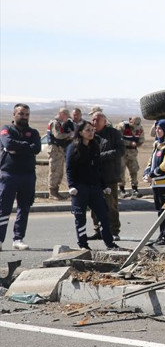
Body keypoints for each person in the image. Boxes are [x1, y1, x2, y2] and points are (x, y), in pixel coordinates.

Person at [66, 121, 118, 250]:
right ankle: (83, 244)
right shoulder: (73, 147)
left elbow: (98, 169)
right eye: (88, 130)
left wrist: (104, 185)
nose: (91, 133)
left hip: (95, 188)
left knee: (104, 215)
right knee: (80, 217)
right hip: (80, 188)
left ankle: (109, 243)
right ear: (81, 132)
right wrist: (71, 185)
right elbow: (69, 168)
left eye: (92, 130)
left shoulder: (94, 146)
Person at [0, 104, 41, 251]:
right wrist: (26, 146)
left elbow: (36, 148)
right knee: (4, 208)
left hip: (28, 175)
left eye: (26, 114)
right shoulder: (6, 129)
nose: (24, 117)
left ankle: (18, 239)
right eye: (21, 114)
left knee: (24, 208)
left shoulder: (34, 132)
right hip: (9, 174)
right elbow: (7, 143)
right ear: (14, 114)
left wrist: (17, 148)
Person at [143, 119, 165, 246]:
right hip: (156, 183)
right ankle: (161, 235)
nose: (157, 131)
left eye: (160, 128)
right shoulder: (157, 144)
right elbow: (150, 161)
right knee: (160, 211)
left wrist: (153, 174)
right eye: (156, 128)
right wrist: (146, 173)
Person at [89, 111, 124, 240]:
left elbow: (120, 150)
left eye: (97, 120)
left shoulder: (113, 134)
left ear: (104, 121)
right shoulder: (90, 134)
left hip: (109, 176)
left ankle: (114, 230)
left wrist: (101, 156)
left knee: (111, 205)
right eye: (93, 120)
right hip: (94, 176)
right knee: (94, 205)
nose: (94, 122)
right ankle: (98, 230)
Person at [46, 107, 74, 200]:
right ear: (62, 114)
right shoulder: (55, 123)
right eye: (66, 116)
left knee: (59, 171)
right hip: (55, 149)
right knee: (54, 171)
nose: (67, 119)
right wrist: (69, 135)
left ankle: (55, 191)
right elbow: (58, 135)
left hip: (59, 149)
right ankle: (52, 192)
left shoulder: (59, 123)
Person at [117, 116, 145, 198]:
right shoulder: (122, 127)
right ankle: (122, 190)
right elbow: (118, 139)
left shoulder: (139, 129)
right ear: (130, 121)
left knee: (134, 170)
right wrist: (129, 143)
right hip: (122, 152)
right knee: (121, 171)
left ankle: (135, 189)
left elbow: (141, 139)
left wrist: (138, 143)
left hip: (132, 153)